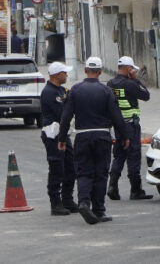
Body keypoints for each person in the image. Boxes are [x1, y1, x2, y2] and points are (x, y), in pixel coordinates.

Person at [58, 57, 129, 225]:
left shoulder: (75, 90)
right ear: (100, 71)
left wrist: (62, 138)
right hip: (102, 136)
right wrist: (124, 136)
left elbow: (66, 116)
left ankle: (83, 203)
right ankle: (99, 210)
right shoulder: (106, 91)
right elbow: (116, 116)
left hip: (82, 136)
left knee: (83, 172)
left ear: (85, 70)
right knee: (100, 174)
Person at [107, 56, 153, 201]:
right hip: (130, 126)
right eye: (132, 69)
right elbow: (146, 95)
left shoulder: (110, 83)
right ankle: (136, 190)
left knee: (119, 156)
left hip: (117, 126)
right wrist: (135, 79)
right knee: (133, 156)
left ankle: (112, 187)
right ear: (128, 69)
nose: (133, 71)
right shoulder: (130, 84)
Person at [40, 62, 77, 216]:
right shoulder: (49, 92)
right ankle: (55, 203)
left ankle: (67, 199)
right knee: (57, 169)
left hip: (63, 133)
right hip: (53, 134)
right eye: (64, 72)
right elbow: (62, 112)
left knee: (71, 167)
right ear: (56, 75)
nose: (66, 75)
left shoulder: (62, 90)